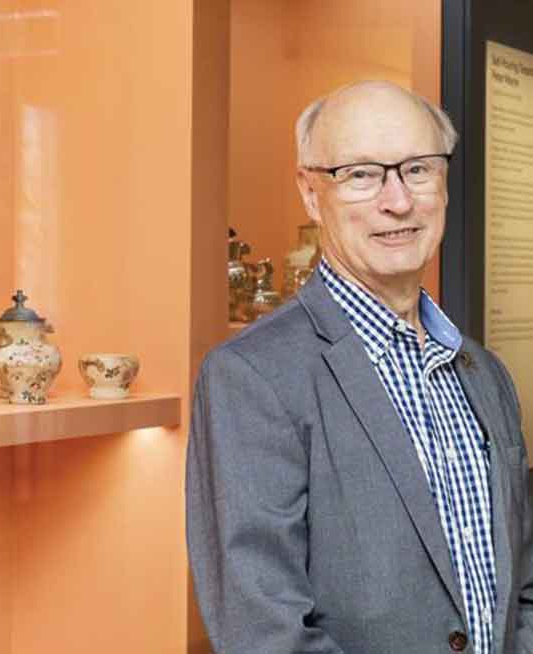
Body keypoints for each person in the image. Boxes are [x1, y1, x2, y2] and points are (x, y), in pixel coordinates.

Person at [186, 80, 533, 654]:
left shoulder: (484, 373)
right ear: (310, 192)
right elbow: (263, 633)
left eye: (417, 169)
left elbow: (523, 589)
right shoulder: (252, 378)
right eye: (361, 175)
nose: (398, 201)